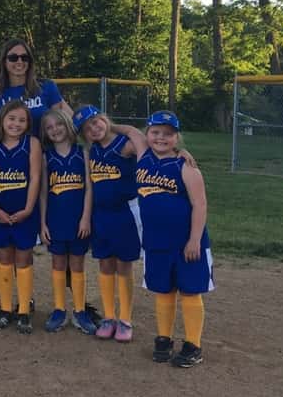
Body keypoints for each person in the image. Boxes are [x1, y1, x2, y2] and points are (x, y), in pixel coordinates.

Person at [130, 111, 213, 367]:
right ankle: (163, 338)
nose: (161, 137)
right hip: (156, 241)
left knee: (189, 291)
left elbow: (199, 205)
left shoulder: (185, 167)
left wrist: (194, 240)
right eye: (155, 132)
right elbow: (126, 131)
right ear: (147, 134)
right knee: (163, 291)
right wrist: (106, 123)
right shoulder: (143, 156)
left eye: (168, 133)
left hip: (186, 242)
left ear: (177, 138)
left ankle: (193, 344)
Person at [73, 105, 143, 343]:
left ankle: (125, 319)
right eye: (87, 128)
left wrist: (117, 127)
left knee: (123, 265)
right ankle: (109, 317)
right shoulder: (92, 151)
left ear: (104, 118)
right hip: (100, 215)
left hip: (125, 213)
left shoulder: (125, 144)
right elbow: (91, 187)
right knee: (105, 264)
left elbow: (146, 142)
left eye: (96, 122)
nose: (94, 128)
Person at [0, 100, 43, 335]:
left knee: (23, 258)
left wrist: (28, 208)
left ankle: (24, 309)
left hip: (24, 211)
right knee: (3, 257)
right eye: (11, 118)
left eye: (21, 120)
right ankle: (5, 307)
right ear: (2, 119)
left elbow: (35, 178)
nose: (16, 124)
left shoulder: (32, 144)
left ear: (27, 124)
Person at [39, 107, 96, 335]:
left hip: (78, 220)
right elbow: (43, 192)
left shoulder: (82, 152)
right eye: (49, 128)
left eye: (59, 125)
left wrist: (85, 218)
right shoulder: (46, 156)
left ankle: (80, 311)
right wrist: (42, 223)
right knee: (58, 263)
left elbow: (89, 188)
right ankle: (59, 309)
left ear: (67, 125)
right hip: (55, 219)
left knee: (78, 264)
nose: (55, 130)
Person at [0, 38, 71, 138]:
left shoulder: (46, 86)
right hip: (10, 152)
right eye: (13, 58)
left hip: (44, 151)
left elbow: (60, 122)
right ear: (4, 62)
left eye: (24, 57)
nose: (19, 61)